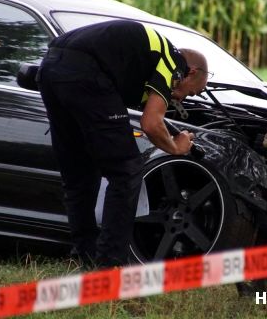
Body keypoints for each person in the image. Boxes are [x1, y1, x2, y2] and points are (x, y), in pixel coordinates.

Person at [37, 19, 209, 268]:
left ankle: (85, 256)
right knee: (126, 171)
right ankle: (110, 264)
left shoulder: (140, 61)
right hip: (86, 74)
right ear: (190, 73)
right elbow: (151, 123)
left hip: (50, 68)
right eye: (190, 93)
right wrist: (176, 146)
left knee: (80, 174)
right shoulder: (173, 60)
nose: (180, 98)